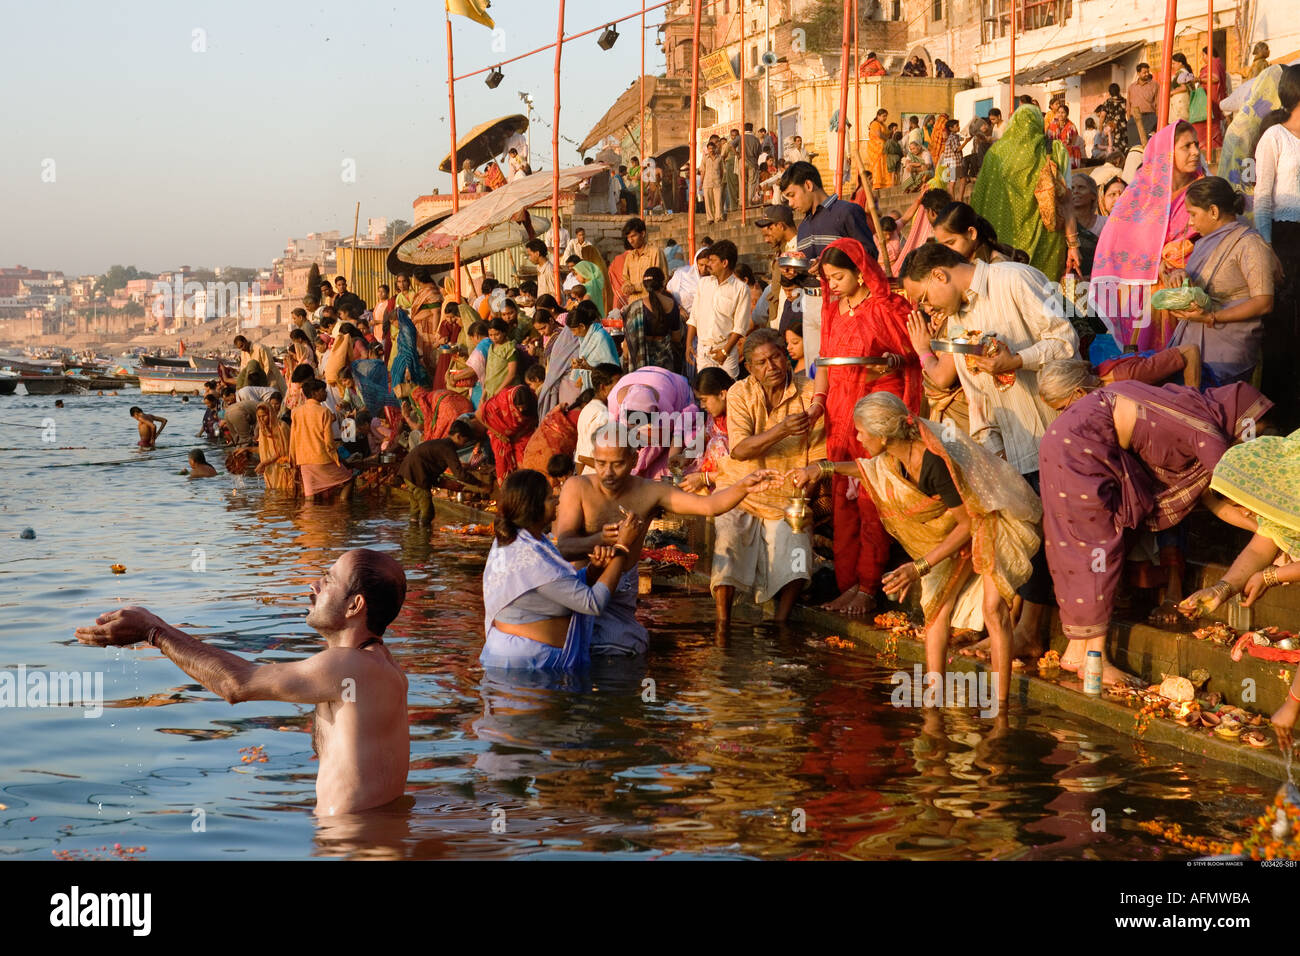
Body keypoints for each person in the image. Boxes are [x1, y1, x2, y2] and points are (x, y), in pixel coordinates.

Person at [77, 549, 410, 815]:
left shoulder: (350, 665)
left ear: (355, 605)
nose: (314, 586)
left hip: (355, 843)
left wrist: (152, 631)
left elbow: (236, 684)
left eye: (328, 580)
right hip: (365, 836)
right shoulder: (377, 664)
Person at [794, 391, 1040, 709]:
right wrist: (824, 468)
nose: (857, 437)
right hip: (953, 528)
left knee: (994, 611)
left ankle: (1002, 708)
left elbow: (969, 524)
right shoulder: (894, 454)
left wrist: (918, 566)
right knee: (935, 611)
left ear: (883, 435)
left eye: (861, 431)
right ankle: (933, 699)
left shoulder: (934, 461)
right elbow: (870, 470)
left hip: (990, 518)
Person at [901, 241, 1079, 655]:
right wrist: (991, 452)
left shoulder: (1013, 279)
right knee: (1028, 533)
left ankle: (1042, 632)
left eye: (925, 296)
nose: (928, 308)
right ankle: (1027, 630)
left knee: (1058, 536)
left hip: (1058, 430)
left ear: (941, 275)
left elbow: (1065, 341)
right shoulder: (957, 320)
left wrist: (1015, 360)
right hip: (1011, 447)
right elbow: (977, 395)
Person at [1037, 368, 1270, 683]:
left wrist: (1269, 530)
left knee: (1079, 545)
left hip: (1068, 442)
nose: (1251, 451)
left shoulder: (1196, 423)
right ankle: (1096, 661)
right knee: (1098, 547)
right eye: (1252, 438)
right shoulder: (1206, 429)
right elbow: (1235, 489)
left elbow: (1219, 505)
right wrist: (1279, 519)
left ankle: (1077, 651)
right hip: (1080, 445)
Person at [555, 435, 778, 654]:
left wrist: (744, 487)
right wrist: (600, 539)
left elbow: (709, 506)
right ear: (594, 459)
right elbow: (564, 547)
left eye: (618, 464)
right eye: (601, 464)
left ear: (633, 461)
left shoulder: (650, 491)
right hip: (581, 593)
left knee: (623, 652)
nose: (608, 473)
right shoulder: (577, 487)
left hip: (621, 598)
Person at [806, 238, 919, 616]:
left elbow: (914, 358)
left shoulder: (887, 307)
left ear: (860, 272)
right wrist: (817, 404)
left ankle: (870, 587)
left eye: (838, 277)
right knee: (843, 502)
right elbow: (825, 361)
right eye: (828, 279)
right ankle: (848, 585)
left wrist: (894, 362)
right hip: (840, 415)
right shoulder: (832, 310)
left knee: (872, 498)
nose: (833, 284)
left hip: (875, 415)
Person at [711, 328, 826, 626]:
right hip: (741, 490)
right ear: (750, 368)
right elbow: (739, 450)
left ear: (786, 358)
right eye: (761, 362)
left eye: (776, 357)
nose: (771, 367)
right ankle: (722, 624)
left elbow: (819, 458)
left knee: (799, 551)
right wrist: (783, 430)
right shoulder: (740, 392)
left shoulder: (809, 392)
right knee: (728, 540)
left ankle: (781, 624)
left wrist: (804, 497)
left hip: (788, 494)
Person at [482, 469, 645, 671]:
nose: (557, 502)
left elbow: (558, 586)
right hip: (526, 665)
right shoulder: (529, 557)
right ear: (533, 508)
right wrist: (622, 547)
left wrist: (594, 570)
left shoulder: (526, 540)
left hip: (527, 660)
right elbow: (592, 603)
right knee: (634, 643)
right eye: (551, 498)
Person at [1090, 121, 1205, 352]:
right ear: (1167, 153)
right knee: (1149, 364)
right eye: (1186, 146)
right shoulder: (1141, 191)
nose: (1195, 152)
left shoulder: (1204, 190)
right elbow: (1119, 240)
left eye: (1196, 145)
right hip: (1147, 293)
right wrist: (1156, 261)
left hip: (1194, 287)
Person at [1164, 177, 1278, 385]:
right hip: (1194, 340)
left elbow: (1264, 302)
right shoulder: (1202, 243)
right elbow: (1201, 287)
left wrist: (1212, 317)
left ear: (1214, 212)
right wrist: (1181, 277)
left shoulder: (1249, 244)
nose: (1190, 222)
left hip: (1228, 352)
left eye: (1193, 214)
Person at [972, 105, 1080, 282]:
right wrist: (1073, 246)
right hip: (1047, 243)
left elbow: (979, 198)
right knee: (1043, 300)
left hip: (1001, 249)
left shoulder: (995, 155)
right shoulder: (1054, 151)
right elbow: (1067, 201)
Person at [605, 365, 702, 479]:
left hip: (676, 388)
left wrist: (636, 469)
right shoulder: (613, 401)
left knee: (675, 445)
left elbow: (670, 439)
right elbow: (615, 439)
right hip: (647, 377)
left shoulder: (666, 407)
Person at [780, 160, 878, 260]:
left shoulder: (846, 212)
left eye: (792, 195)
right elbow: (806, 269)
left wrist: (829, 265)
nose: (790, 203)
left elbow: (869, 256)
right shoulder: (802, 228)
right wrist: (794, 272)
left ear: (808, 185)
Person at [687, 239, 751, 377]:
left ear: (724, 263)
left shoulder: (741, 289)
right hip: (703, 350)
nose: (708, 264)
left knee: (729, 393)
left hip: (726, 351)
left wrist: (724, 352)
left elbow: (740, 328)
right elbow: (694, 318)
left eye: (712, 260)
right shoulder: (703, 284)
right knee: (705, 392)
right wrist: (688, 346)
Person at [399, 422, 482, 525]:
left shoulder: (444, 444)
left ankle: (413, 533)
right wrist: (480, 484)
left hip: (409, 472)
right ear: (458, 436)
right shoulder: (448, 448)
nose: (464, 445)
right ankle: (423, 537)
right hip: (416, 474)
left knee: (415, 509)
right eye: (464, 441)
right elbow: (459, 474)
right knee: (428, 512)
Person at [291, 379, 354, 500]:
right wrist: (338, 460)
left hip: (303, 461)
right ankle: (344, 510)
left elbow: (293, 439)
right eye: (323, 391)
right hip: (321, 459)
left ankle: (309, 517)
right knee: (349, 480)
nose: (326, 393)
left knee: (310, 495)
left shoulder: (296, 412)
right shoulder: (324, 412)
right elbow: (329, 443)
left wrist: (293, 460)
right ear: (315, 393)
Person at [476, 382, 539, 484]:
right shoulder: (501, 400)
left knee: (526, 463)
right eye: (518, 407)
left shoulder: (532, 399)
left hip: (523, 434)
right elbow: (479, 415)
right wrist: (498, 434)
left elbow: (534, 420)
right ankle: (509, 494)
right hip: (500, 435)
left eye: (523, 407)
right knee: (503, 465)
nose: (521, 410)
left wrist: (518, 435)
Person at [623, 266, 682, 372]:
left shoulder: (635, 307)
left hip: (643, 362)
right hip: (665, 361)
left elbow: (628, 342)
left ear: (645, 286)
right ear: (663, 284)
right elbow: (676, 338)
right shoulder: (672, 304)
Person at [574, 364, 623, 474]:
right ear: (603, 388)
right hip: (598, 478)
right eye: (618, 386)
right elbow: (587, 457)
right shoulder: (603, 415)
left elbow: (580, 455)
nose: (621, 389)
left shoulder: (588, 409)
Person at [567, 300, 619, 393]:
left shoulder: (600, 337)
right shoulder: (584, 339)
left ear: (582, 326)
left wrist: (589, 367)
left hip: (604, 389)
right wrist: (579, 365)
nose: (574, 334)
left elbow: (611, 370)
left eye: (574, 330)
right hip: (590, 390)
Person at [620, 217, 667, 307]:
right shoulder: (629, 257)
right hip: (633, 304)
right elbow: (625, 279)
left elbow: (661, 280)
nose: (630, 241)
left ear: (642, 233)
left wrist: (635, 288)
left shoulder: (655, 252)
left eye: (633, 236)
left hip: (651, 303)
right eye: (628, 237)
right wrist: (626, 287)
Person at [254, 402, 295, 492]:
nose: (261, 419)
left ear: (270, 414)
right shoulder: (263, 429)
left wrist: (263, 464)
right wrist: (246, 450)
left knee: (285, 493)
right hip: (270, 469)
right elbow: (262, 450)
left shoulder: (281, 427)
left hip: (283, 467)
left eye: (264, 416)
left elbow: (282, 452)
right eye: (259, 417)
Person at [1197, 45, 1228, 152]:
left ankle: (1212, 150)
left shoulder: (1214, 63)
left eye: (1203, 55)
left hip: (1212, 99)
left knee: (1209, 126)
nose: (1202, 58)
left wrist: (1199, 79)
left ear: (1207, 55)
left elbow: (1215, 78)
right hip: (1213, 99)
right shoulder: (1218, 63)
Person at [1127, 63, 1160, 148]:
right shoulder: (1131, 87)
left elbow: (1158, 104)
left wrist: (1157, 119)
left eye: (1148, 72)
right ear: (1138, 73)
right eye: (1144, 72)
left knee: (1149, 144)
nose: (1147, 74)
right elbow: (1128, 105)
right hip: (1134, 119)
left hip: (1150, 118)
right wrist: (1129, 119)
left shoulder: (1155, 85)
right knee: (1134, 145)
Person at [1046, 103, 1083, 168]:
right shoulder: (1053, 124)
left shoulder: (1071, 126)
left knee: (1073, 149)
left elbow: (1072, 143)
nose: (1060, 115)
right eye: (1059, 112)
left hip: (1066, 150)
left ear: (1067, 114)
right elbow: (1049, 139)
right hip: (1054, 149)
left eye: (1063, 112)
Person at [525, 238, 559, 304]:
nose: (529, 258)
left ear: (537, 253)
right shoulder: (540, 268)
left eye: (530, 255)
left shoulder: (549, 270)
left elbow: (555, 295)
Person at [1099, 83, 1130, 153]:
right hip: (1122, 128)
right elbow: (1128, 114)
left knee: (1111, 148)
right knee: (1122, 148)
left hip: (1111, 128)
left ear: (1110, 92)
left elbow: (1102, 116)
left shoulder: (1108, 102)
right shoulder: (1124, 101)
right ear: (1118, 91)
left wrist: (1100, 128)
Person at [867, 108, 892, 188]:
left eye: (886, 116)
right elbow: (879, 134)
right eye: (884, 116)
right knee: (877, 166)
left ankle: (883, 184)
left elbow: (887, 134)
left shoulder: (883, 124)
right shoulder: (874, 123)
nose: (885, 118)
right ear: (878, 116)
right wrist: (888, 140)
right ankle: (876, 183)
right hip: (876, 148)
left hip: (883, 148)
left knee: (883, 166)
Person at [702, 140, 726, 223]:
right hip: (707, 182)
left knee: (718, 201)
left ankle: (718, 217)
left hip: (717, 182)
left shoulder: (719, 158)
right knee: (708, 202)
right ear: (707, 149)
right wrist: (701, 183)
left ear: (715, 148)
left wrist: (721, 180)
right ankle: (710, 218)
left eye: (712, 148)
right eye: (709, 148)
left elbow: (722, 171)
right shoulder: (705, 158)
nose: (711, 150)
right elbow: (703, 171)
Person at [1169, 52, 1196, 123]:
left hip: (1180, 103)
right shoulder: (1185, 72)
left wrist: (1171, 92)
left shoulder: (1182, 73)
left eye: (1174, 63)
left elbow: (1184, 88)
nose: (1173, 66)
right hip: (1182, 102)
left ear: (1180, 63)